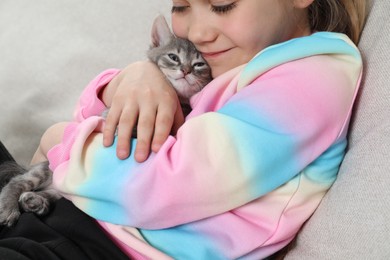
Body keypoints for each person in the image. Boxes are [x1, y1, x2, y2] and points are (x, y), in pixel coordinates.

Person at [1, 0, 367, 259]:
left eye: (223, 5)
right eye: (180, 6)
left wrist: (60, 141)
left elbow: (162, 186)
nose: (198, 31)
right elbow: (109, 119)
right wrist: (129, 79)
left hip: (102, 245)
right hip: (67, 212)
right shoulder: (235, 66)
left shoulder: (312, 79)